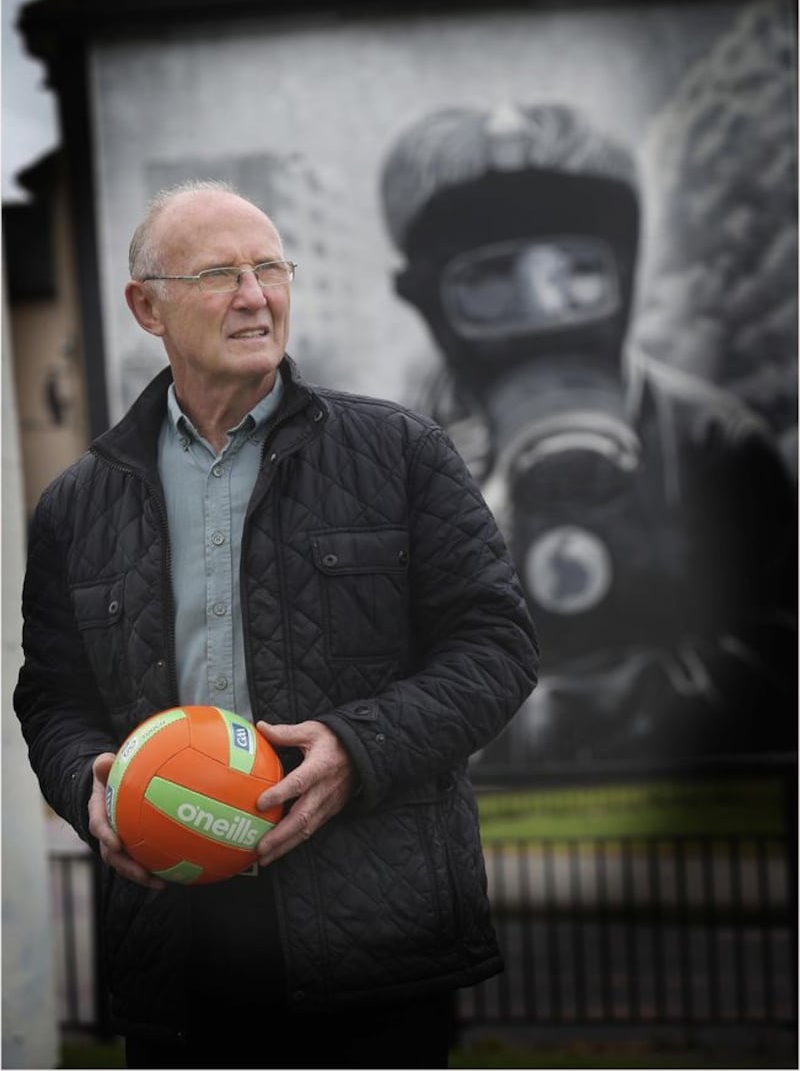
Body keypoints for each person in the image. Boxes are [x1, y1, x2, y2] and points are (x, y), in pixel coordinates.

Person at [14, 181, 539, 1069]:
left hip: (376, 944)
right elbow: (53, 700)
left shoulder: (401, 452)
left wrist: (355, 748)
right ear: (148, 307)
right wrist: (89, 790)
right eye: (220, 274)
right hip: (176, 955)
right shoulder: (78, 504)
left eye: (269, 268)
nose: (256, 296)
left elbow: (498, 646)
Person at [380, 102, 796, 765]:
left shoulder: (713, 444)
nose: (545, 314)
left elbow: (781, 661)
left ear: (625, 274)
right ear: (425, 298)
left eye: (578, 273)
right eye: (488, 282)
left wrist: (549, 722)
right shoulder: (394, 470)